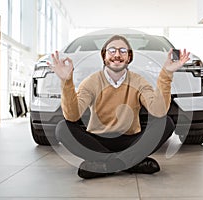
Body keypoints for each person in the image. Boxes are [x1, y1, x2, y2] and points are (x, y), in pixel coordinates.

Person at [50, 35, 190, 179]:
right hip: (98, 142)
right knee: (63, 128)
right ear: (104, 56)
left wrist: (167, 73)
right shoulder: (91, 82)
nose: (117, 55)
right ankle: (131, 162)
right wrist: (67, 82)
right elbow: (73, 116)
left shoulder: (139, 81)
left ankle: (106, 166)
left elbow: (158, 111)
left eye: (123, 51)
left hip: (130, 141)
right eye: (112, 50)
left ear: (129, 57)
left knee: (165, 122)